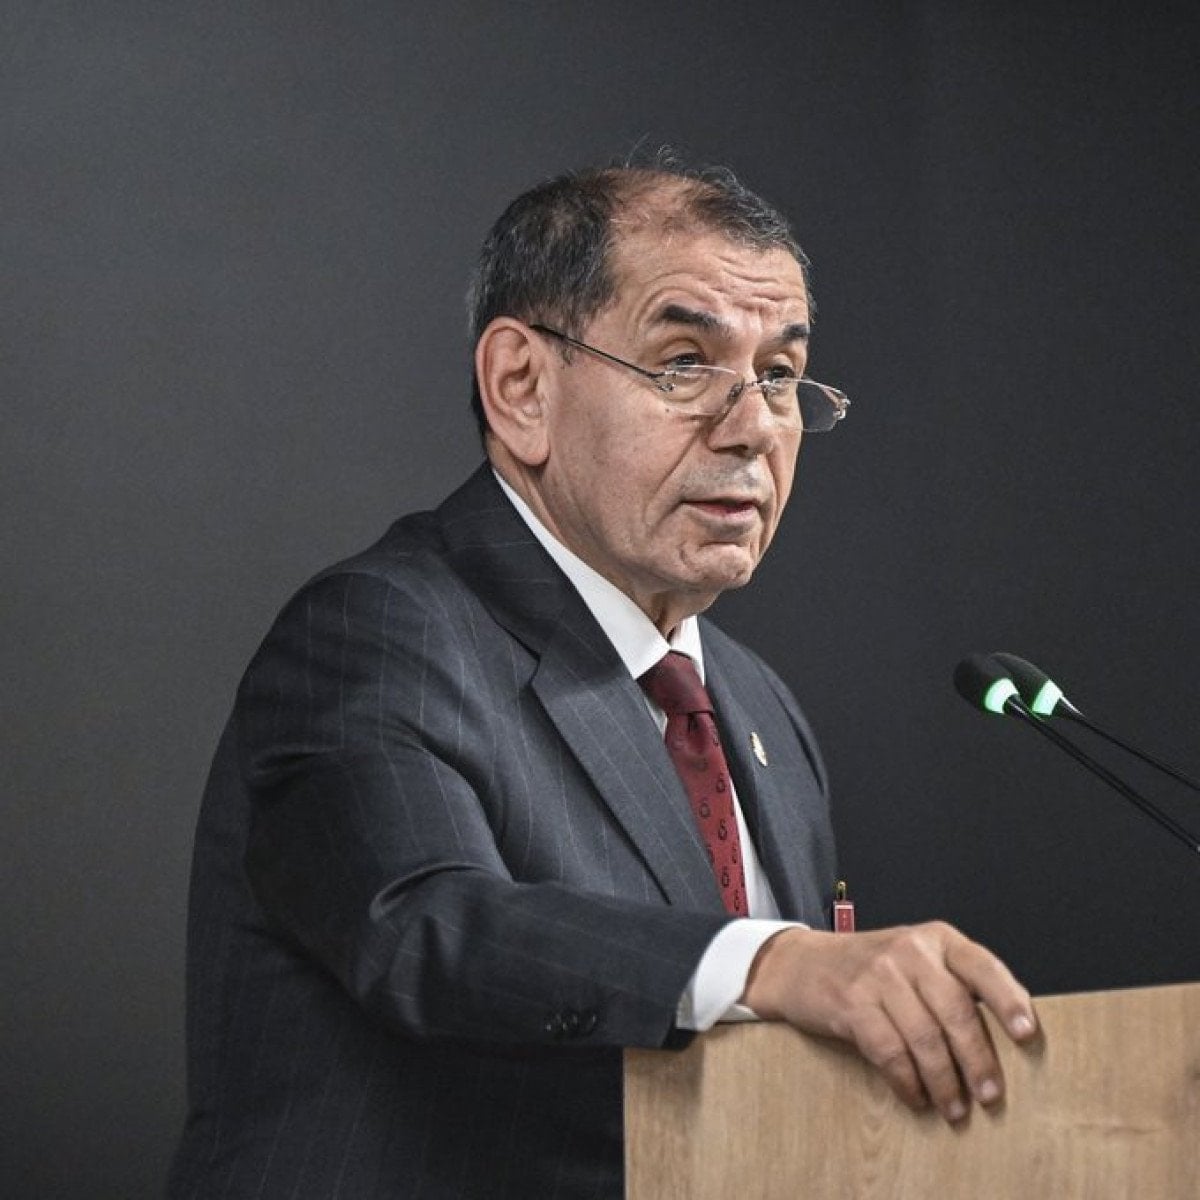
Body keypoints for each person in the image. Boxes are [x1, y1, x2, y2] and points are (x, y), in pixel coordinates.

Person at [167, 158, 1037, 1199]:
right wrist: (772, 961)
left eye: (779, 374)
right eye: (685, 363)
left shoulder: (756, 706)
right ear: (522, 387)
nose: (754, 426)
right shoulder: (379, 633)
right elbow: (424, 925)